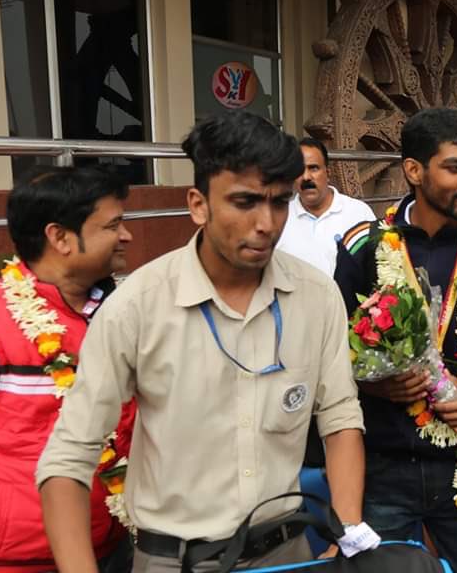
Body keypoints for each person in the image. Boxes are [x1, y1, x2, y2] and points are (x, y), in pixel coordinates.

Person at [38, 111, 374, 572]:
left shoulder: (316, 297)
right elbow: (69, 456)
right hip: (172, 560)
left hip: (287, 555)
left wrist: (348, 532)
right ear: (198, 204)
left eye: (279, 202)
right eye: (244, 202)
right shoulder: (138, 306)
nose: (266, 223)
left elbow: (338, 419)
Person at [334, 108, 457, 573]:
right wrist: (370, 384)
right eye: (456, 167)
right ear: (414, 170)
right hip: (382, 466)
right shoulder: (364, 245)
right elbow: (332, 345)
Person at [0, 167, 135, 573]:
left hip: (111, 546)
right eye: (113, 224)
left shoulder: (118, 314)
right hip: (12, 560)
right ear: (60, 237)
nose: (127, 235)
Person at [275, 137, 375, 276]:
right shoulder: (280, 217)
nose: (306, 177)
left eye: (313, 168)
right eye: (299, 170)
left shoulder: (358, 213)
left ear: (328, 173)